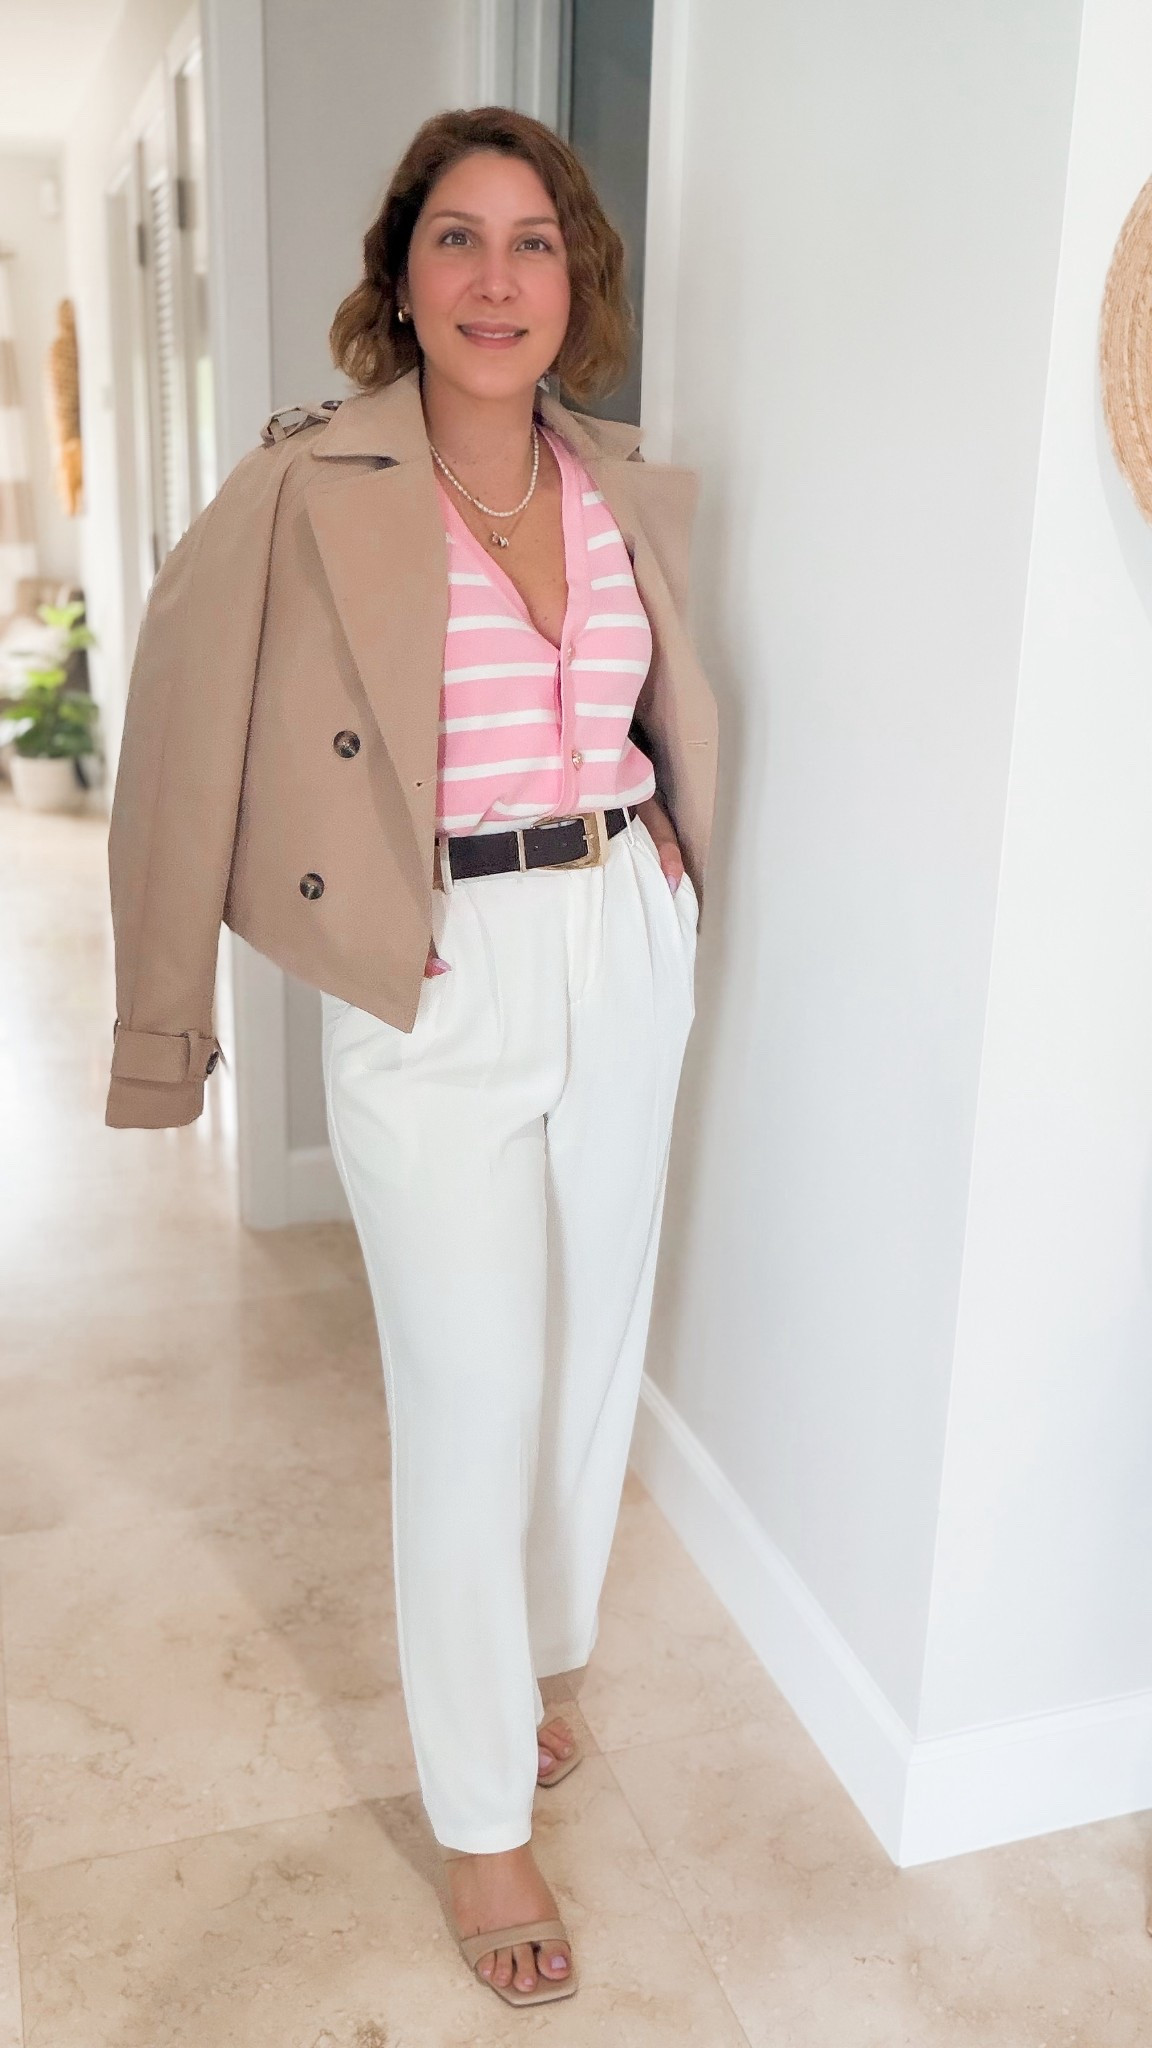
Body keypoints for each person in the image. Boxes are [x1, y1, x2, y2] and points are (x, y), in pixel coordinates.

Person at [104, 105, 718, 2010]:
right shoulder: (306, 487)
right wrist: (164, 1028)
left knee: (587, 1348)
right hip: (433, 968)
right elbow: (177, 741)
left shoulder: (620, 485)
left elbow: (654, 701)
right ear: (401, 273)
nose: (497, 278)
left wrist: (669, 848)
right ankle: (476, 1819)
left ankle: (522, 1668)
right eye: (458, 239)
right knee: (468, 1394)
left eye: (535, 243)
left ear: (574, 283)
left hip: (621, 931)